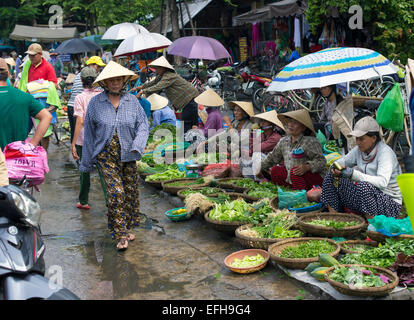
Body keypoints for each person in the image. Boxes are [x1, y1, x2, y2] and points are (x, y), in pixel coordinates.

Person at [80, 61, 149, 251]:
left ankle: (126, 227)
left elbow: (143, 126)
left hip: (129, 153)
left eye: (118, 79)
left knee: (130, 193)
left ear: (124, 81)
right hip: (105, 156)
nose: (115, 83)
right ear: (105, 83)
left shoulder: (132, 101)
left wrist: (137, 146)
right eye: (111, 80)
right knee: (115, 193)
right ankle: (120, 234)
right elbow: (90, 135)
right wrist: (86, 163)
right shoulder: (96, 103)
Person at [321, 116, 402, 218]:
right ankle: (335, 219)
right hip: (366, 199)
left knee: (364, 186)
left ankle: (372, 227)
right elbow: (343, 161)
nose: (358, 142)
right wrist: (335, 167)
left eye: (361, 139)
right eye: (357, 139)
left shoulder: (385, 153)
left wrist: (353, 174)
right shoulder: (359, 150)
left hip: (389, 203)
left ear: (373, 138)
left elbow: (382, 182)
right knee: (330, 177)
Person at [257, 109, 326, 191]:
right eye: (289, 122)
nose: (290, 125)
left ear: (303, 127)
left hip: (312, 179)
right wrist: (260, 168)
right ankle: (292, 189)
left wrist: (307, 167)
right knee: (275, 170)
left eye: (295, 123)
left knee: (295, 171)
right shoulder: (284, 141)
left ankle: (302, 195)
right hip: (293, 178)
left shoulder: (310, 141)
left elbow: (321, 161)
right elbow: (272, 157)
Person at [131, 56, 199, 133]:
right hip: (189, 100)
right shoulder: (161, 76)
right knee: (191, 124)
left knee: (186, 125)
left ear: (163, 68)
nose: (155, 71)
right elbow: (151, 83)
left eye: (157, 69)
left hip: (189, 99)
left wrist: (142, 91)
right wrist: (137, 88)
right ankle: (192, 140)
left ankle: (186, 142)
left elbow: (158, 86)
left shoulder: (169, 76)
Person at [0, 58, 52, 151]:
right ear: (8, 74)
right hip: (18, 158)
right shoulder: (24, 97)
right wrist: (32, 144)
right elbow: (47, 116)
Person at [71, 66, 103, 210]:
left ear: (82, 81)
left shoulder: (80, 97)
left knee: (84, 171)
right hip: (102, 138)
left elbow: (80, 121)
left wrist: (73, 143)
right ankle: (111, 204)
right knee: (104, 172)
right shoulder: (103, 95)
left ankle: (83, 201)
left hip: (84, 139)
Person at [67, 56, 106, 143]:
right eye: (98, 66)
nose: (99, 69)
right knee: (84, 133)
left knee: (76, 133)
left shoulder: (79, 75)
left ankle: (76, 150)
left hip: (71, 106)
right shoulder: (91, 77)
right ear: (91, 65)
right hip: (80, 105)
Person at [240, 110, 285, 179]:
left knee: (256, 155)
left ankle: (259, 181)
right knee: (243, 158)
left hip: (274, 164)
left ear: (271, 124)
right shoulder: (262, 134)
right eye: (261, 121)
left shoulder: (275, 137)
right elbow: (252, 146)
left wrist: (250, 151)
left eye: (265, 121)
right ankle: (250, 180)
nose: (261, 123)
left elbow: (256, 148)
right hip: (264, 161)